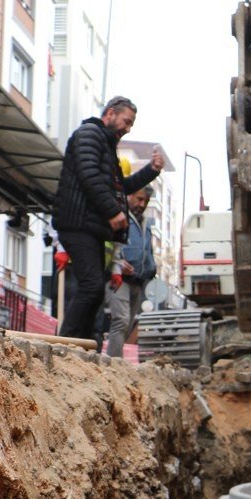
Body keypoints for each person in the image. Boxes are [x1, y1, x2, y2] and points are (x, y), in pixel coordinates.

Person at [53, 96, 163, 340]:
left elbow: (120, 188)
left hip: (90, 228)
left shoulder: (105, 145)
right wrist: (112, 212)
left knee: (93, 291)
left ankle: (83, 343)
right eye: (127, 121)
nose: (128, 128)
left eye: (131, 124)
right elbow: (89, 175)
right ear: (111, 113)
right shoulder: (89, 134)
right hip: (77, 225)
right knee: (91, 287)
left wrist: (151, 171)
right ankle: (68, 341)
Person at [105, 185, 156, 357]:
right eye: (139, 199)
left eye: (146, 201)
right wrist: (117, 263)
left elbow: (148, 250)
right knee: (120, 320)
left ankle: (114, 358)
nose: (142, 204)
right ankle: (113, 363)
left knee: (127, 324)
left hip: (137, 281)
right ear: (130, 196)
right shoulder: (120, 217)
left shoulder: (145, 223)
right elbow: (108, 242)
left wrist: (151, 270)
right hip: (119, 277)